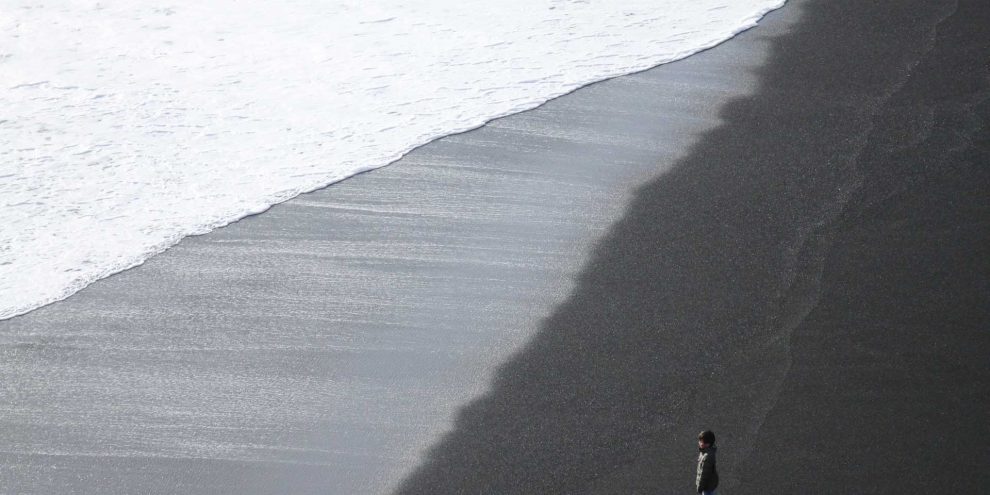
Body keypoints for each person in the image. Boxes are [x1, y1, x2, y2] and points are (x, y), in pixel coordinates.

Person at [696, 430, 719, 494]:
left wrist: (700, 487)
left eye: (703, 442)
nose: (701, 443)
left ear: (709, 443)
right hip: (708, 485)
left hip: (707, 486)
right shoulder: (704, 452)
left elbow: (704, 474)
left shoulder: (707, 456)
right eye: (700, 441)